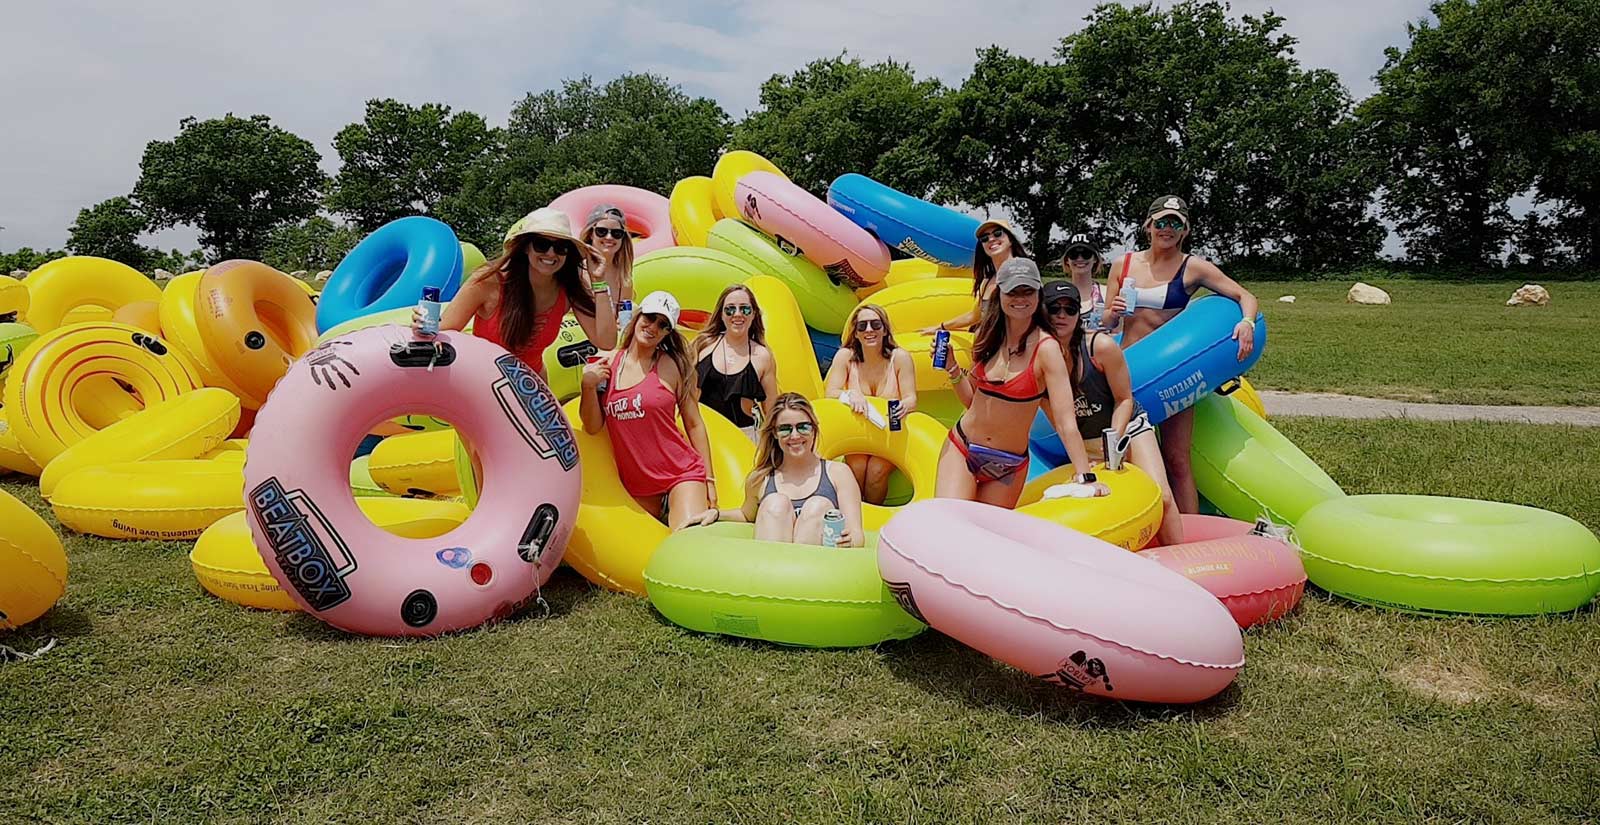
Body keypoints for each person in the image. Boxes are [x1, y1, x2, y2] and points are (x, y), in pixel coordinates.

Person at [1104, 195, 1259, 514]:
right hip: (1128, 370)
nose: (1167, 228)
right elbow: (1107, 321)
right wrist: (1113, 312)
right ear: (1148, 225)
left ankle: (1190, 530)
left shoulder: (1193, 268)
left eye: (1176, 223)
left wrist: (1246, 323)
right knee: (1123, 456)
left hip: (1172, 372)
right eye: (1161, 221)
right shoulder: (1124, 264)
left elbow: (1244, 295)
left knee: (1176, 458)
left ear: (1185, 230)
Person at [939, 258, 1109, 507]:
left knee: (986, 537)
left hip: (1009, 465)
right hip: (962, 447)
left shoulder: (1047, 349)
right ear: (1000, 294)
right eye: (1013, 291)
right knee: (947, 520)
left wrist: (1085, 475)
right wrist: (952, 368)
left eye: (1027, 290)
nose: (1020, 298)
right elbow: (971, 401)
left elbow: (1065, 420)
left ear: (1038, 294)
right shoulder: (985, 337)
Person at [1040, 280, 1183, 545]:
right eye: (1053, 308)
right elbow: (1059, 420)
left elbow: (1124, 400)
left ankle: (1181, 560)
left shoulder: (1100, 347)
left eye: (1070, 309)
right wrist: (1082, 460)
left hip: (1127, 429)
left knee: (1161, 495)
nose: (1062, 315)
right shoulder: (1038, 357)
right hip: (1085, 440)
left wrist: (1112, 444)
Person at [421, 207, 616, 375]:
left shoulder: (567, 289)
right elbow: (445, 329)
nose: (550, 253)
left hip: (531, 389)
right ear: (525, 247)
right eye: (541, 244)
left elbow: (606, 342)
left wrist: (598, 281)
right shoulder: (490, 281)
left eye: (560, 247)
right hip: (483, 385)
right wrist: (423, 327)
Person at [579, 291, 716, 530]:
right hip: (638, 487)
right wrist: (587, 387)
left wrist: (710, 480)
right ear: (637, 316)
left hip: (681, 474)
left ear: (667, 333)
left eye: (662, 325)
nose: (653, 327)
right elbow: (592, 426)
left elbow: (694, 424)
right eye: (650, 317)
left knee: (688, 538)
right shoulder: (606, 365)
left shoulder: (672, 366)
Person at [709, 393, 865, 547]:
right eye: (785, 429)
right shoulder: (760, 479)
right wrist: (716, 513)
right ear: (775, 433)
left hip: (819, 564)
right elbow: (746, 514)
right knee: (775, 504)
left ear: (814, 428)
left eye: (803, 427)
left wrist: (850, 540)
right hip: (773, 563)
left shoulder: (838, 473)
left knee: (818, 506)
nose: (795, 435)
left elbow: (856, 533)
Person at [824, 303, 917, 505]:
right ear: (855, 333)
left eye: (875, 324)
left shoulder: (899, 358)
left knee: (876, 471)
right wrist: (850, 395)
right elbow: (830, 392)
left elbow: (911, 398)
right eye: (862, 326)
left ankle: (873, 515)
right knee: (856, 468)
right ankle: (852, 515)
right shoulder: (846, 357)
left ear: (884, 329)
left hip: (888, 433)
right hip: (858, 430)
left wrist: (904, 406)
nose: (869, 330)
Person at [692, 284, 778, 439]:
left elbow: (772, 411)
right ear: (721, 315)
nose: (737, 314)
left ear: (753, 315)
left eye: (745, 309)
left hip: (742, 437)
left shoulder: (762, 356)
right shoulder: (702, 346)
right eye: (730, 309)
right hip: (703, 433)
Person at [922, 218, 1030, 334]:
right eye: (985, 238)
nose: (991, 239)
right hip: (989, 348)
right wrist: (940, 327)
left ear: (1011, 239)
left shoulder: (1022, 272)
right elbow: (973, 317)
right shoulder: (986, 281)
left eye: (997, 233)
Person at [581, 204, 635, 336]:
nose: (609, 237)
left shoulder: (624, 278)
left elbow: (623, 319)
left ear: (623, 239)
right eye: (601, 231)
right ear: (590, 234)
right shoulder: (577, 270)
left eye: (617, 233)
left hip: (608, 342)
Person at [1059, 233, 1108, 331]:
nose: (1080, 259)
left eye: (1086, 254)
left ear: (1095, 259)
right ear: (1067, 260)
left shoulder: (1107, 293)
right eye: (1073, 255)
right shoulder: (1058, 294)